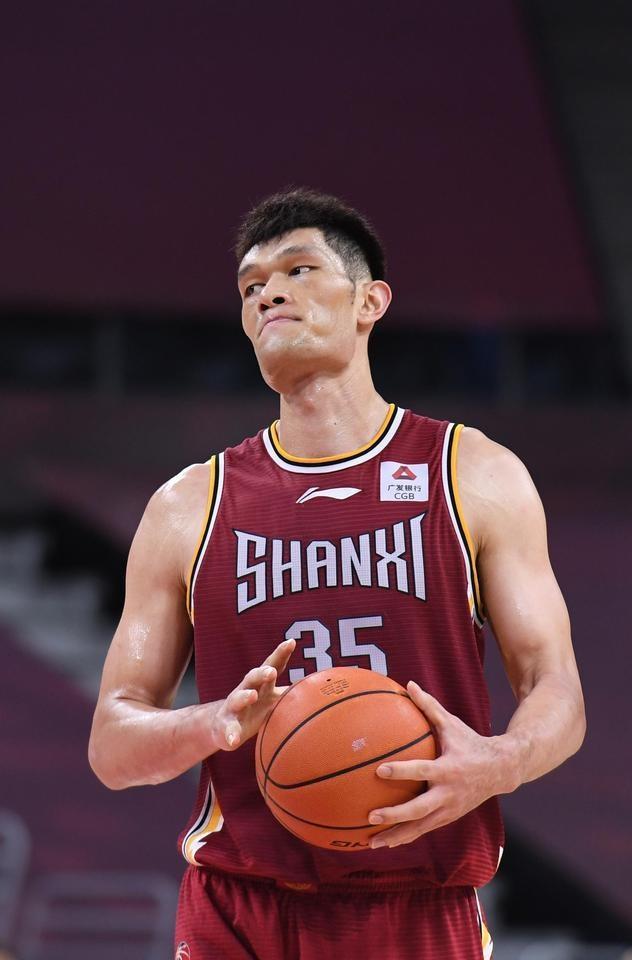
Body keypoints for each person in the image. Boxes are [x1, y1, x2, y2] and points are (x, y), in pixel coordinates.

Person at [89, 188, 586, 960]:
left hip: (419, 904)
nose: (268, 294)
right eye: (251, 287)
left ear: (370, 301)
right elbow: (113, 745)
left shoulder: (471, 473)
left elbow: (556, 688)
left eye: (298, 270)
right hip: (239, 906)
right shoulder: (189, 505)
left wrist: (502, 761)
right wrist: (213, 722)